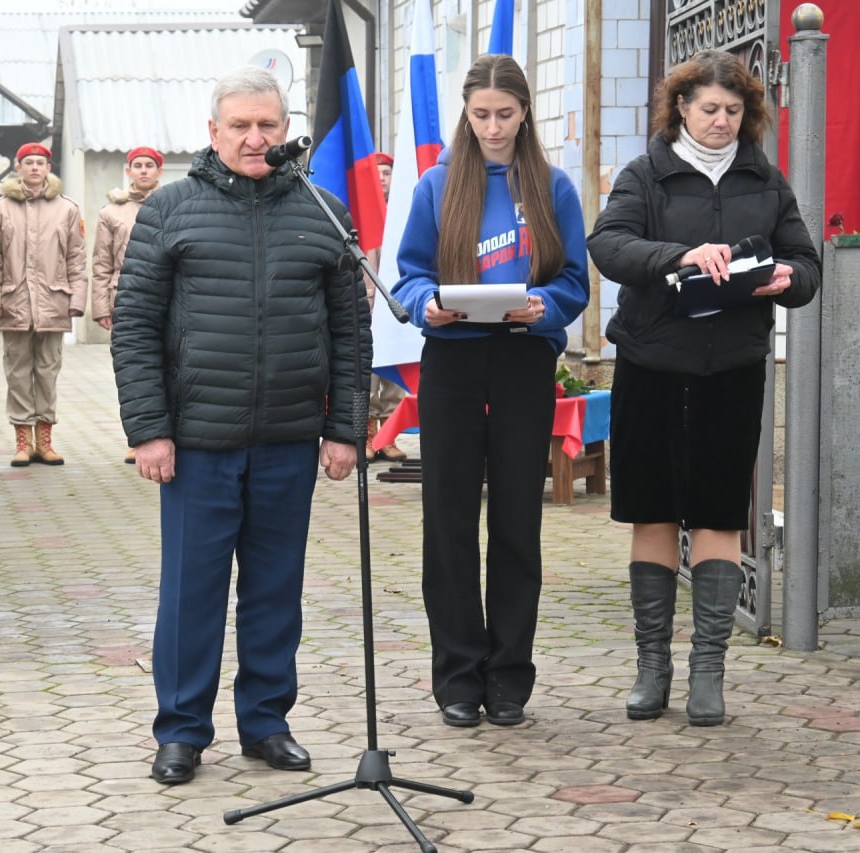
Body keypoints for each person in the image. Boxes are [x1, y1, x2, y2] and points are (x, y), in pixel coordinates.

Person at [112, 66, 370, 785]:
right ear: (213, 132)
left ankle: (266, 722)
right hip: (198, 444)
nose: (256, 138)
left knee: (274, 590)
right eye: (241, 126)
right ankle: (183, 730)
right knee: (192, 592)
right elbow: (134, 328)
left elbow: (352, 333)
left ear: (286, 131)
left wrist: (346, 427)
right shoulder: (169, 211)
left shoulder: (323, 212)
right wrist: (149, 429)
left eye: (268, 125)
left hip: (289, 439)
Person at [587, 50, 821, 727]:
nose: (721, 121)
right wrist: (679, 256)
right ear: (681, 108)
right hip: (653, 365)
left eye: (733, 110)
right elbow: (610, 245)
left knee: (718, 515)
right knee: (654, 510)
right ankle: (651, 667)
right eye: (709, 109)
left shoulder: (765, 180)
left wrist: (787, 277)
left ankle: (708, 674)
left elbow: (805, 263)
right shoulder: (647, 173)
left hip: (732, 368)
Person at [392, 54, 591, 728]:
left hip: (522, 363)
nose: (494, 127)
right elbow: (410, 275)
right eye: (482, 115)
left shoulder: (552, 186)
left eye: (505, 114)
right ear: (466, 114)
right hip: (451, 363)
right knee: (446, 521)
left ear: (526, 112)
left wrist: (544, 305)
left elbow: (573, 283)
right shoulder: (436, 185)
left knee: (516, 519)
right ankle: (456, 676)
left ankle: (509, 677)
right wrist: (429, 305)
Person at [0, 143, 87, 467]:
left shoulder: (67, 209)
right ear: (19, 166)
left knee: (47, 372)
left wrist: (77, 300)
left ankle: (45, 440)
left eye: (40, 162)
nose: (35, 168)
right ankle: (23, 441)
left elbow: (77, 258)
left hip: (54, 301)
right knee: (17, 373)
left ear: (48, 167)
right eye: (29, 162)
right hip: (14, 302)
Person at [90, 146, 164, 464]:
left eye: (150, 165)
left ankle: (167, 434)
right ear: (128, 171)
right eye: (138, 165)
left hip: (167, 294)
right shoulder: (111, 213)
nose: (144, 170)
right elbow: (100, 263)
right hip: (126, 298)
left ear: (159, 171)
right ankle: (138, 437)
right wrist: (102, 307)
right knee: (134, 370)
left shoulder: (174, 204)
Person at [367, 150, 408, 463]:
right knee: (366, 371)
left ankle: (388, 435)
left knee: (393, 371)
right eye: (376, 172)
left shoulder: (402, 212)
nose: (381, 178)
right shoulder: (361, 211)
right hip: (366, 302)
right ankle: (367, 434)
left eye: (387, 173)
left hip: (395, 301)